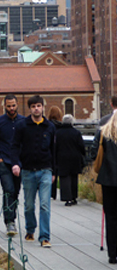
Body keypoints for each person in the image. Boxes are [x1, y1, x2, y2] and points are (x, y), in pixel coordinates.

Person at [11, 95, 56, 248]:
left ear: (43, 107)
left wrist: (54, 171)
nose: (36, 109)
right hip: (28, 170)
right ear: (29, 109)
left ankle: (44, 236)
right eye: (33, 106)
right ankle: (30, 228)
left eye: (39, 106)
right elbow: (15, 146)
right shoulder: (22, 126)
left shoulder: (50, 127)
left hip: (45, 170)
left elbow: (54, 150)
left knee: (44, 204)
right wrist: (16, 164)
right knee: (29, 205)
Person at [0, 94, 26, 237]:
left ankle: (12, 216)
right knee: (8, 190)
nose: (11, 108)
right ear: (4, 106)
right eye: (9, 106)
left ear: (17, 105)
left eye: (13, 105)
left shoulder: (23, 121)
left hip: (19, 162)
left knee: (15, 191)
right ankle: (10, 221)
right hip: (4, 161)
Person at [91, 111, 117, 264]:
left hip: (108, 180)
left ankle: (112, 254)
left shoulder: (103, 133)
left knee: (111, 217)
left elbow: (94, 153)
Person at [55, 114, 85, 206]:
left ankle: (67, 198)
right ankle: (74, 197)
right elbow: (81, 146)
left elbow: (55, 146)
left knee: (64, 178)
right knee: (74, 177)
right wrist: (83, 155)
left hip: (62, 157)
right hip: (74, 157)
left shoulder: (58, 133)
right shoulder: (76, 132)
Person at [47, 105, 63, 200]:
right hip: (59, 152)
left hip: (49, 151)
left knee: (50, 172)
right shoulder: (61, 126)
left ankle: (51, 193)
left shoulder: (47, 125)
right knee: (58, 172)